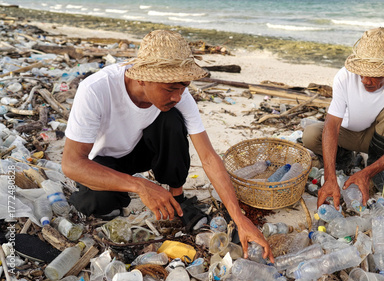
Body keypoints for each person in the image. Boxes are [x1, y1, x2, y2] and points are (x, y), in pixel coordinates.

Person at [61, 30, 274, 262]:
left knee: (171, 119)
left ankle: (177, 197)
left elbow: (209, 157)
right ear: (141, 77)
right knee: (95, 205)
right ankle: (120, 192)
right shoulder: (95, 89)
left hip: (141, 149)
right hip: (104, 159)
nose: (178, 96)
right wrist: (140, 185)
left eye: (183, 87)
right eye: (171, 88)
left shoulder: (179, 97)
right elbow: (72, 163)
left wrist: (240, 219)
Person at [302, 27, 384, 210]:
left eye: (374, 75)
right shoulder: (344, 76)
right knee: (310, 134)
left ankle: (375, 166)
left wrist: (367, 173)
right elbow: (332, 126)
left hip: (380, 138)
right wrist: (330, 177)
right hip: (349, 134)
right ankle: (344, 157)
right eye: (362, 73)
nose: (366, 80)